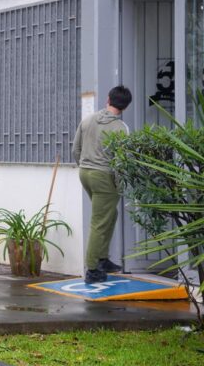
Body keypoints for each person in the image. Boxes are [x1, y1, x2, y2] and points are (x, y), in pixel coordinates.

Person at [72, 85, 132, 284]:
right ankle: (92, 269)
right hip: (104, 176)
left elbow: (75, 150)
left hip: (85, 173)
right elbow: (122, 160)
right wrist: (119, 184)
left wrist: (85, 165)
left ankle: (102, 258)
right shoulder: (121, 128)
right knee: (100, 221)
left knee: (110, 215)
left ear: (108, 99)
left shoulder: (88, 120)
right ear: (126, 107)